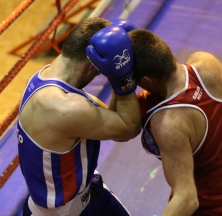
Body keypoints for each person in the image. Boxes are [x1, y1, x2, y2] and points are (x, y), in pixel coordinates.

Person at [16, 17, 141, 216]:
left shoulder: (45, 78)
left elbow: (114, 119)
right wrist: (122, 77)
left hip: (89, 194)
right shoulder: (64, 107)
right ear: (92, 64)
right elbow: (128, 127)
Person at [128, 28, 222, 215]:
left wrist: (120, 84)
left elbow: (187, 199)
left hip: (212, 209)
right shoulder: (206, 62)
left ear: (147, 81)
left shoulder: (167, 123)